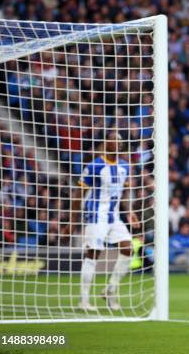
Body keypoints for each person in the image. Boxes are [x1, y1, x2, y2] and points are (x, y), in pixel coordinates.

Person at [75, 131, 138, 311]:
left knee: (128, 248)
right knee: (93, 254)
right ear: (105, 144)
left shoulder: (125, 166)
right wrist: (72, 221)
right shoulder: (95, 166)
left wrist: (130, 211)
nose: (117, 143)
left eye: (120, 140)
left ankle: (110, 290)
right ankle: (84, 299)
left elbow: (122, 192)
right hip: (96, 215)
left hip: (114, 216)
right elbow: (78, 193)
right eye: (113, 140)